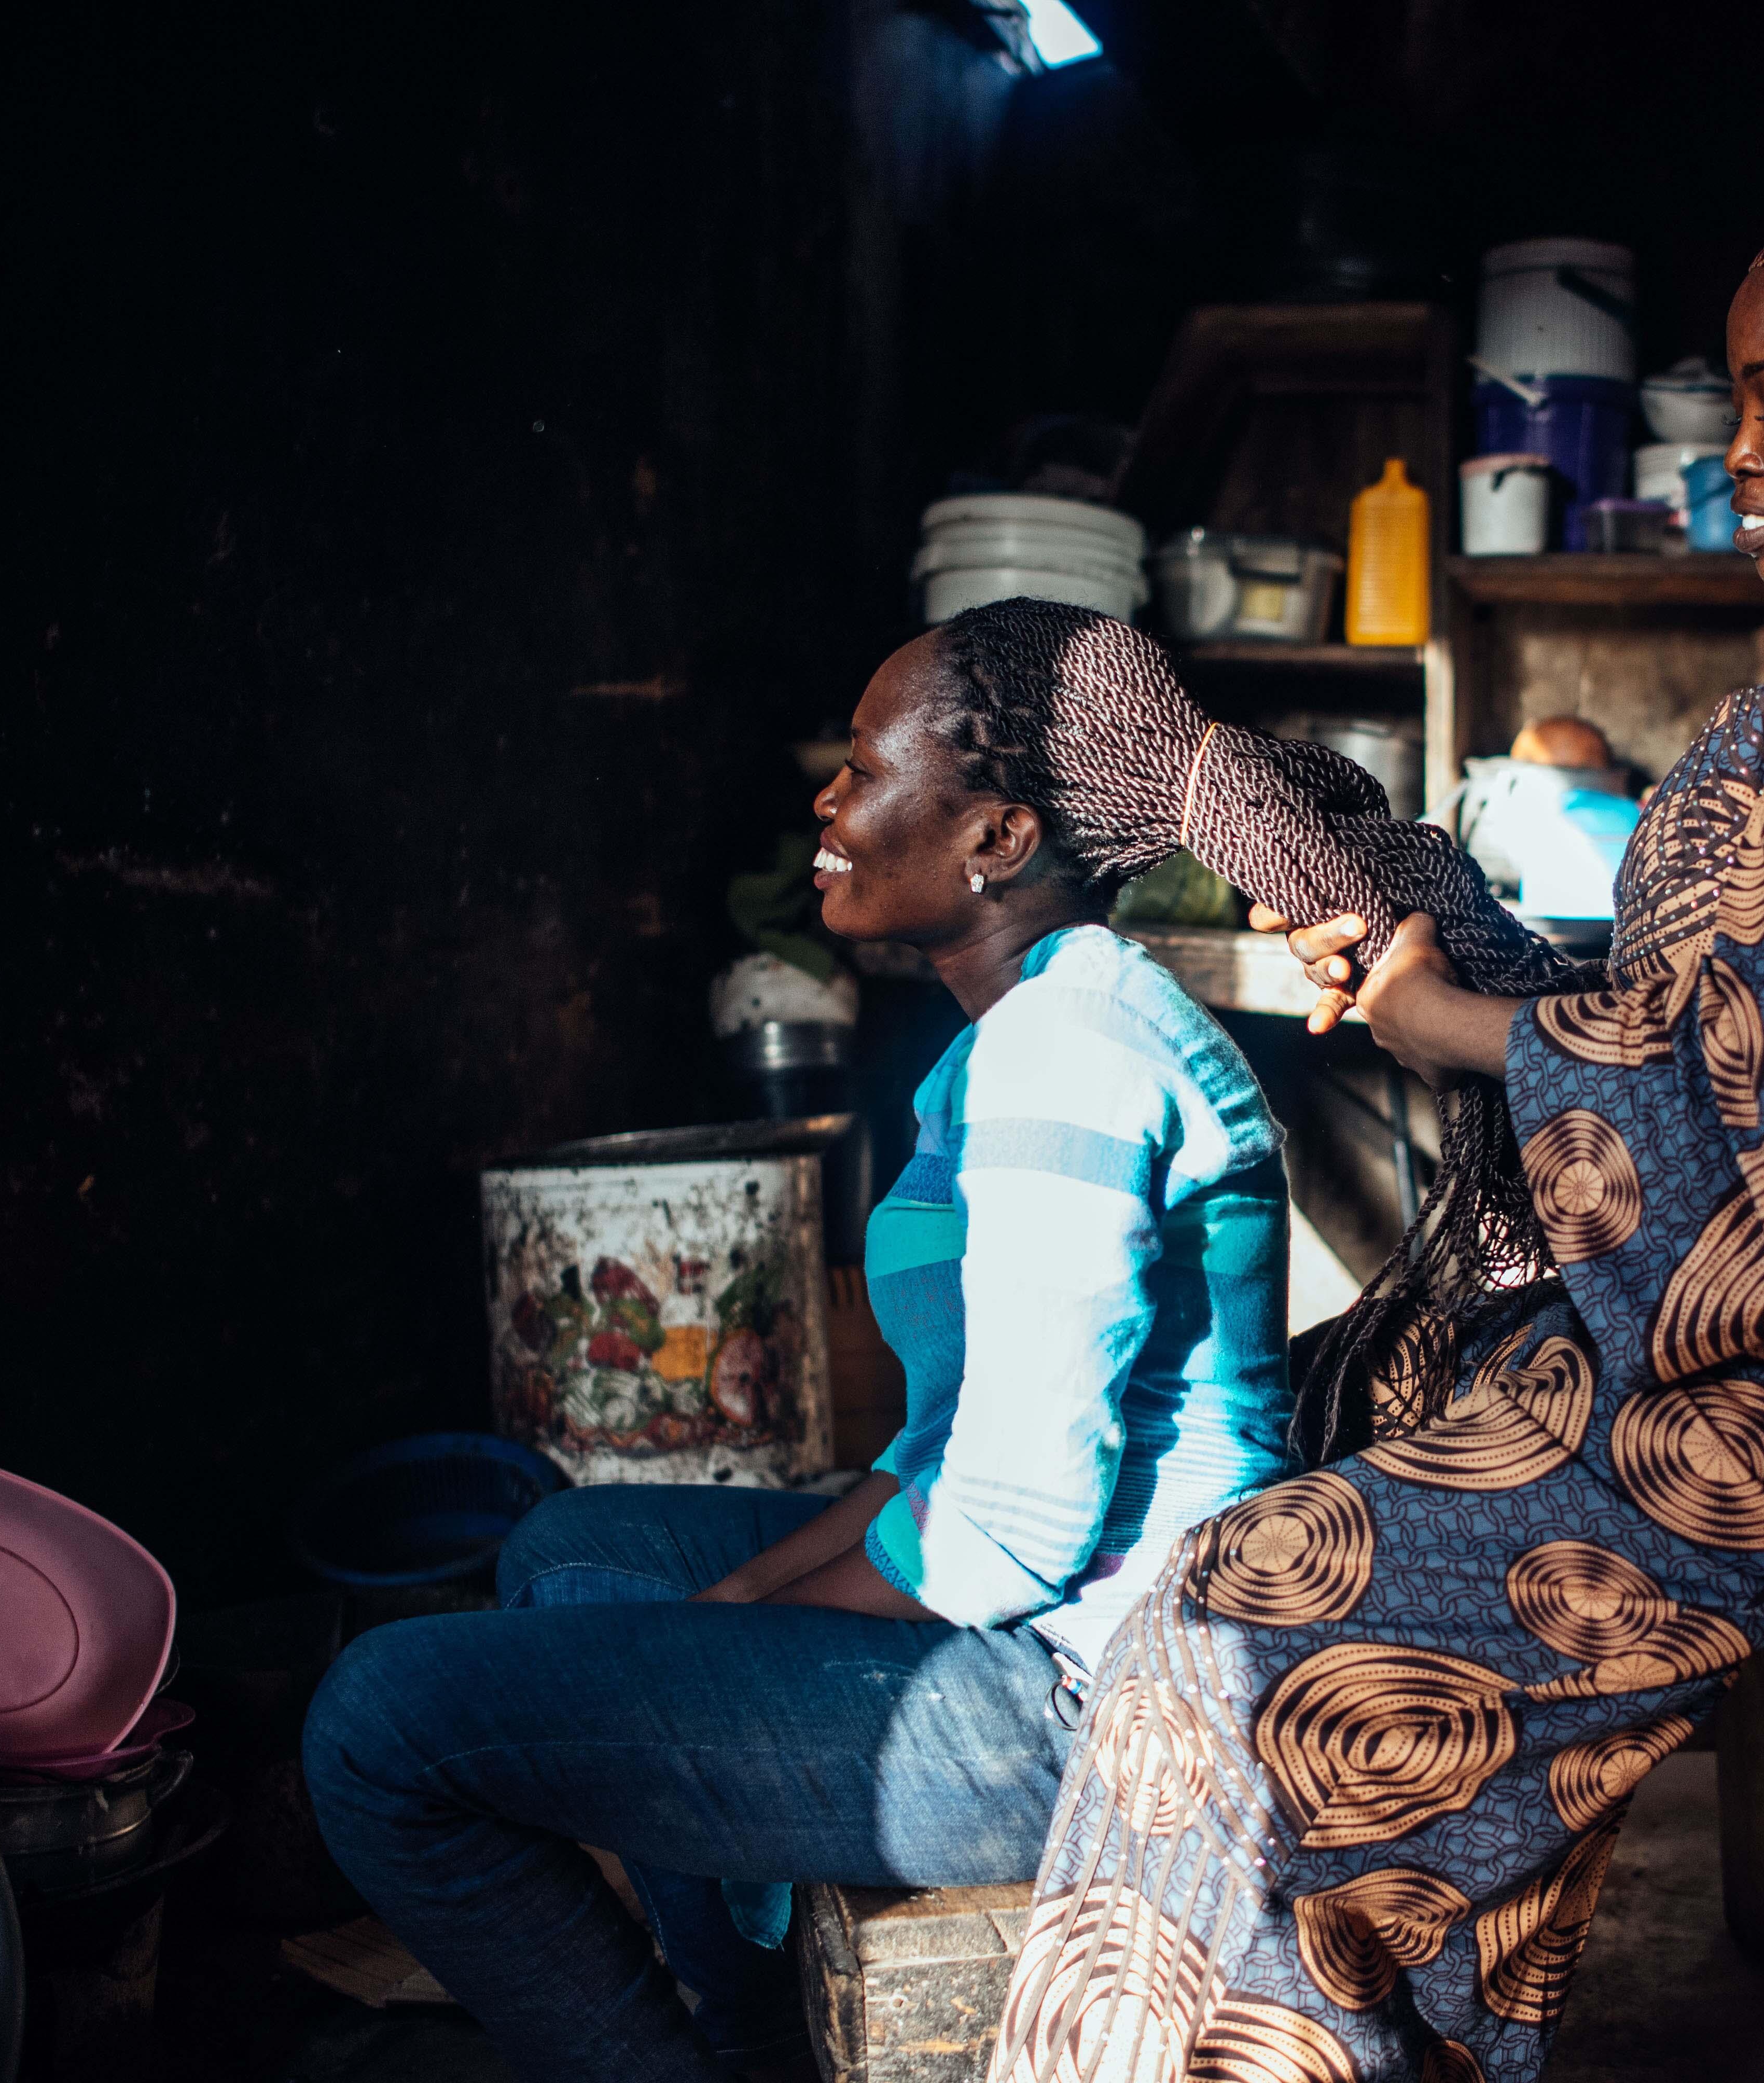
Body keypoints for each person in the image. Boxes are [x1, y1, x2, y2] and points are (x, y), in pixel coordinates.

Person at [985, 61, 1764, 2083]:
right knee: (1256, 1616)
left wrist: (1453, 1020)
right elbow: (1723, 1007)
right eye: (1739, 401)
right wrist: (1418, 910)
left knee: (1238, 1640)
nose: (1743, 454)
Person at [303, 600, 1302, 2081]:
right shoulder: (1018, 1034)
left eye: (863, 768)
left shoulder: (1074, 1053)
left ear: (998, 838)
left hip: (1089, 1704)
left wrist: (747, 1626)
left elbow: (1009, 1535)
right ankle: (755, 2030)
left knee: (378, 1726)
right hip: (1036, 1617)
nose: (828, 805)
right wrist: (745, 1593)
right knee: (569, 1557)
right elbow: (948, 1450)